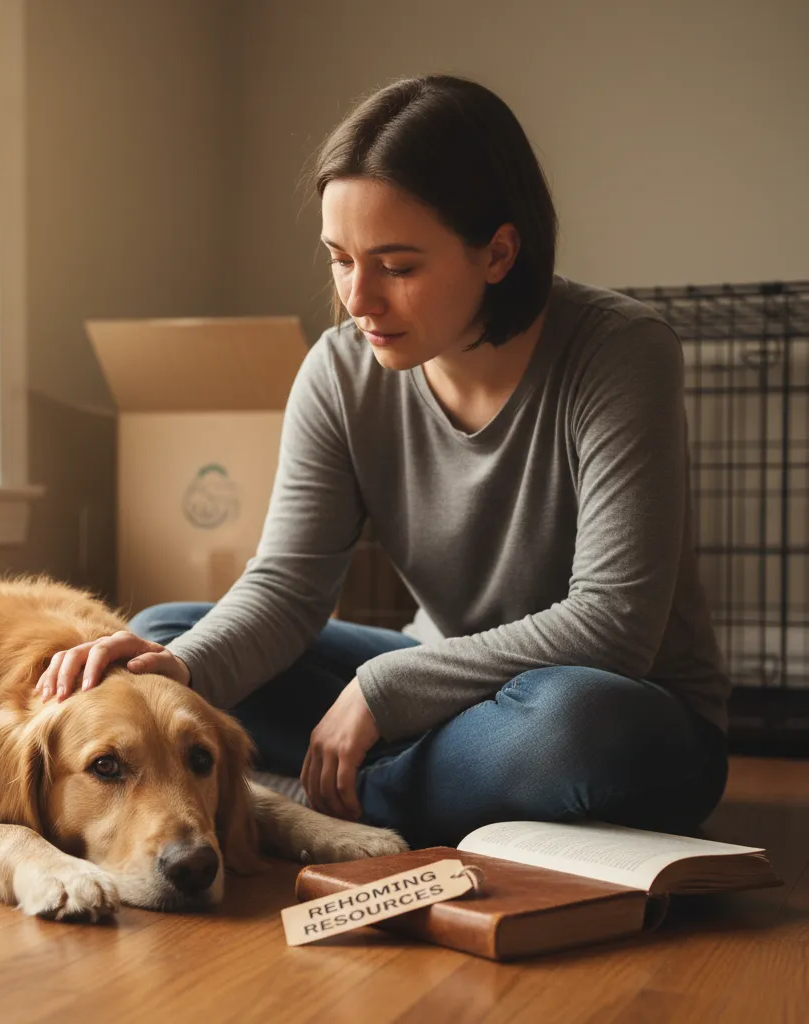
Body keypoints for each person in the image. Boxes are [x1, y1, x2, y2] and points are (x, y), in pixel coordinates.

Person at [36, 75, 730, 849]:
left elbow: (614, 624)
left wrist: (384, 689)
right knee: (165, 636)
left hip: (617, 705)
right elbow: (288, 589)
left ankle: (317, 796)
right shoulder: (338, 372)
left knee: (572, 727)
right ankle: (399, 787)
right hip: (444, 688)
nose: (358, 298)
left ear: (498, 252)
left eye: (397, 267)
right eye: (340, 259)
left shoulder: (620, 352)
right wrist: (179, 673)